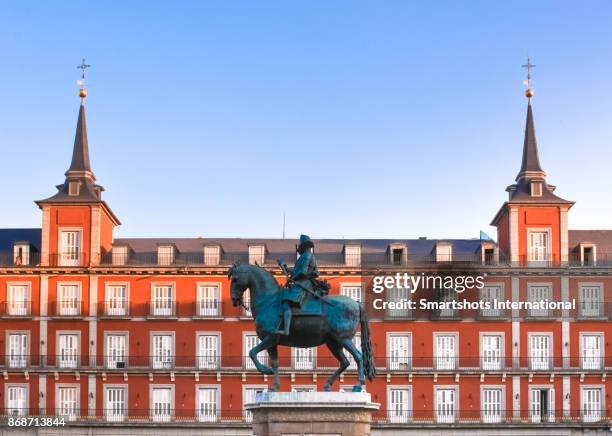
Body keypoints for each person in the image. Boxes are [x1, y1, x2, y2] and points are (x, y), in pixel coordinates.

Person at [276, 234, 320, 335]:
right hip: (301, 282)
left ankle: (286, 330)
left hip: (304, 284)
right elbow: (296, 270)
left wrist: (293, 278)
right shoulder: (307, 256)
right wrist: (285, 267)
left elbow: (302, 272)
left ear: (303, 246)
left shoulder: (306, 256)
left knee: (285, 301)